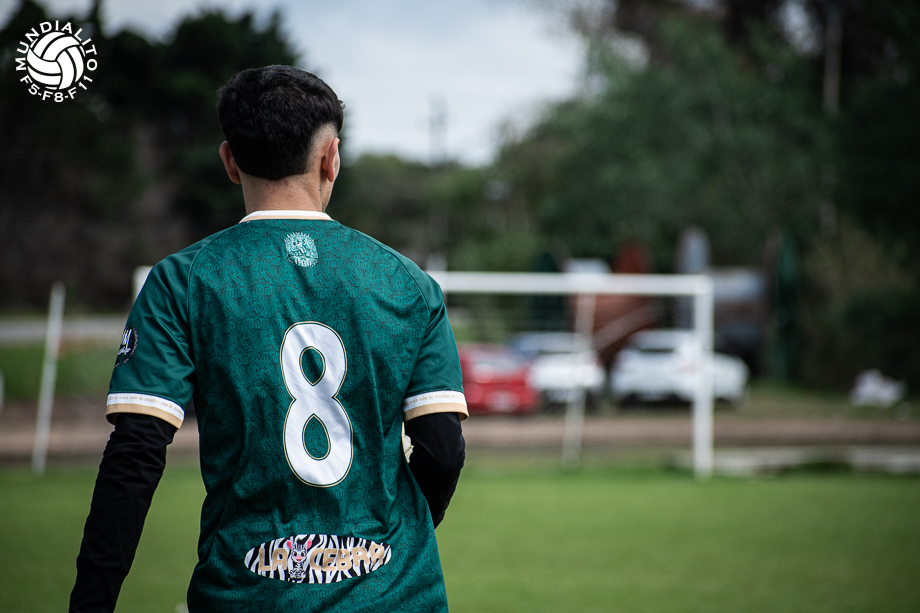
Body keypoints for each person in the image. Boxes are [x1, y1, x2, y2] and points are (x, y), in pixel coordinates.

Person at [70, 65, 467, 613]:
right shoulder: (409, 284)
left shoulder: (183, 280)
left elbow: (134, 454)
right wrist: (404, 537)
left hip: (248, 596)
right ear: (330, 158)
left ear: (229, 161)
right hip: (397, 595)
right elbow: (442, 451)